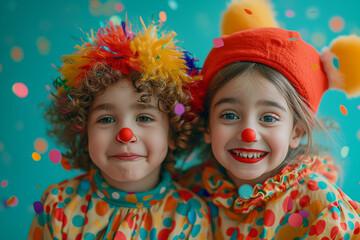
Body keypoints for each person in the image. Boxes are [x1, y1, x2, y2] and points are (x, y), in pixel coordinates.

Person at [177, 0, 360, 239]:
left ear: (296, 132)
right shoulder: (190, 189)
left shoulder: (319, 204)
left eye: (269, 118)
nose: (248, 133)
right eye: (230, 115)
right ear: (207, 127)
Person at [28, 19, 212, 240]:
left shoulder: (191, 216)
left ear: (173, 131)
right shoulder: (57, 205)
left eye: (144, 117)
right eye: (106, 119)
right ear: (83, 130)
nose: (126, 135)